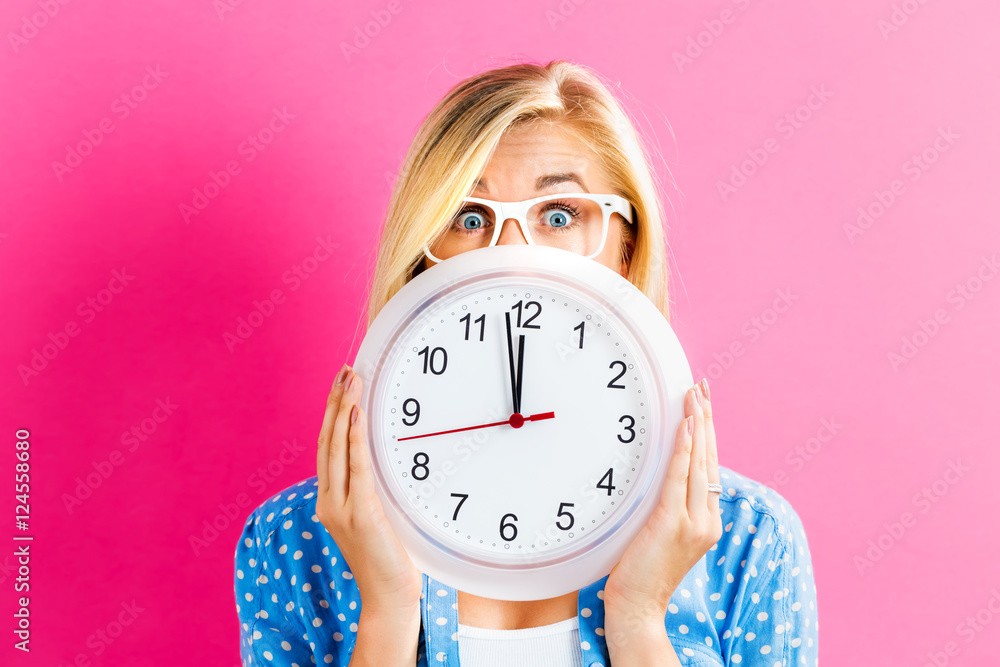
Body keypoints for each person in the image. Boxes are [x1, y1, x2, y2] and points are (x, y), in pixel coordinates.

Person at [234, 59, 818, 666]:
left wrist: (639, 614)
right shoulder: (295, 541)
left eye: (559, 216)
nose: (512, 254)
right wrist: (387, 609)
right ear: (420, 256)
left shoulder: (747, 540)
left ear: (626, 248)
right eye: (469, 217)